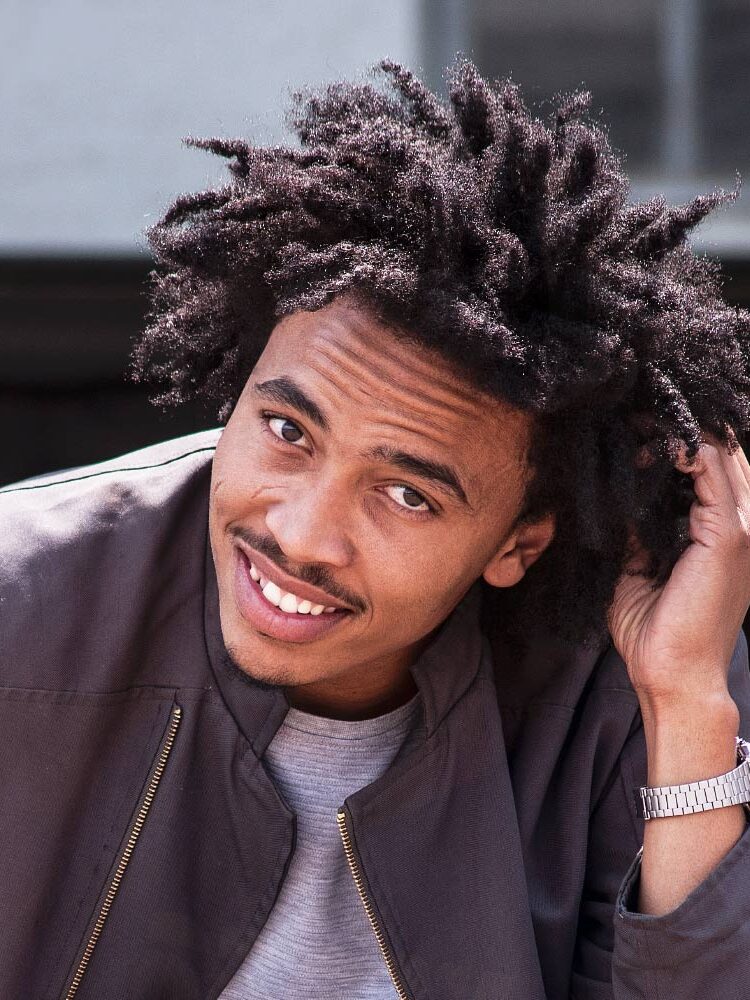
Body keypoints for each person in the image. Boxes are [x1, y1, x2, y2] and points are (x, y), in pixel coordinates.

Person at [2, 59, 750, 1000]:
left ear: (518, 544)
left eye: (406, 495)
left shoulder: (623, 689)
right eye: (288, 432)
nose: (303, 537)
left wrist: (688, 705)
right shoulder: (22, 604)